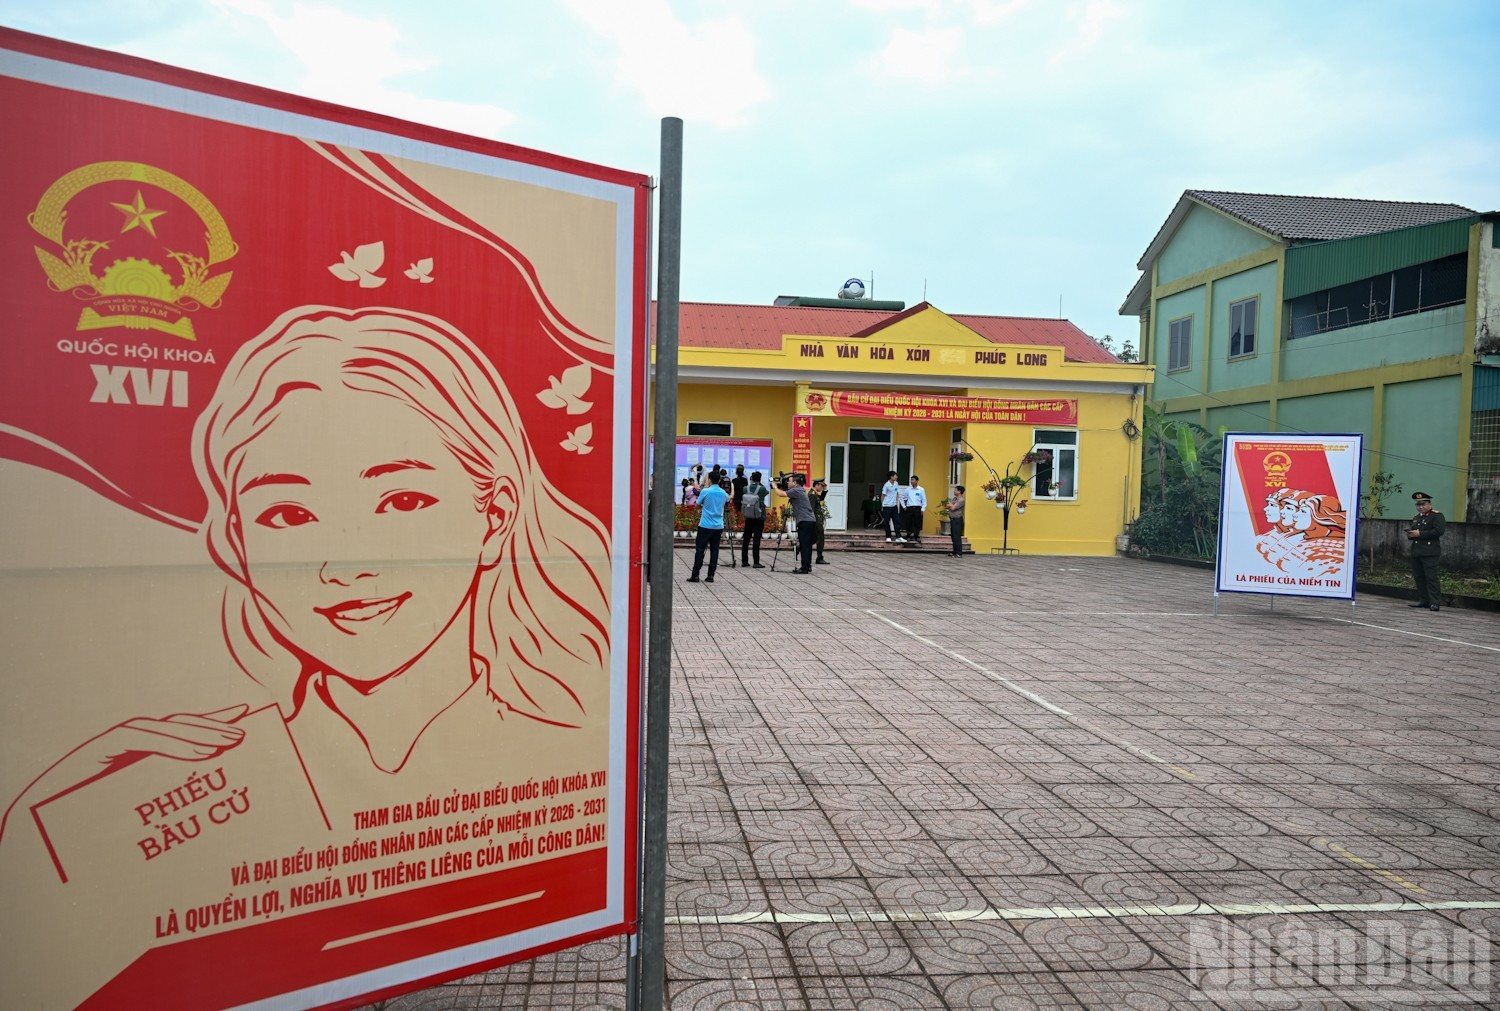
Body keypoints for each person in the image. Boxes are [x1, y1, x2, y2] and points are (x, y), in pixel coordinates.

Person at [2, 305, 613, 844]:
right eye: (289, 515)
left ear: (496, 516)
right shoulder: (186, 788)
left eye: (401, 501)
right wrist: (42, 835)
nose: (346, 564)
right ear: (237, 542)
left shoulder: (569, 763)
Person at [1406, 491, 1445, 612]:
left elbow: (1439, 531)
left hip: (1430, 552)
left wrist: (1420, 533)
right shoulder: (1416, 518)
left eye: (1423, 504)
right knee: (1419, 577)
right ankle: (1424, 601)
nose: (1420, 507)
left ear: (1429, 504)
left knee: (1431, 577)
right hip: (1417, 551)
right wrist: (1411, 535)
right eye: (1418, 505)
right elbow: (1414, 532)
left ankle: (1435, 602)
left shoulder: (1436, 516)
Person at [687, 476, 730, 583]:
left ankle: (695, 575)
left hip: (705, 525)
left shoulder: (706, 491)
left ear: (710, 480)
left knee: (700, 550)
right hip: (718, 526)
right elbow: (727, 502)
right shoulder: (723, 493)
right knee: (714, 551)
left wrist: (704, 506)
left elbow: (697, 505)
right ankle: (711, 576)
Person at [774, 473, 816, 574]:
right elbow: (785, 491)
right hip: (809, 520)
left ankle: (804, 568)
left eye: (790, 481)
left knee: (804, 544)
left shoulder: (796, 490)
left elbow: (781, 494)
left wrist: (774, 486)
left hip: (805, 521)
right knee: (807, 545)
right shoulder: (800, 490)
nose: (788, 482)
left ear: (795, 483)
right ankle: (807, 565)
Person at [740, 470, 769, 568]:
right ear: (760, 479)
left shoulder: (745, 488)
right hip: (759, 517)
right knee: (756, 539)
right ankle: (756, 562)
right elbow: (766, 492)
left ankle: (744, 561)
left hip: (748, 516)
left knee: (746, 539)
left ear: (751, 478)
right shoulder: (762, 489)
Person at [880, 471, 903, 543]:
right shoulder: (886, 485)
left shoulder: (896, 484)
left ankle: (898, 536)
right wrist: (882, 505)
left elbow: (897, 494)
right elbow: (883, 495)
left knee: (897, 521)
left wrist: (896, 502)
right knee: (887, 522)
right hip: (887, 506)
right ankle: (888, 536)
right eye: (895, 476)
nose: (896, 477)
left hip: (894, 506)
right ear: (891, 477)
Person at [811, 478, 830, 565]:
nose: (822, 488)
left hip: (817, 520)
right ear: (817, 485)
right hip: (816, 521)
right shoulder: (812, 495)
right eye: (821, 486)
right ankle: (819, 557)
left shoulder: (815, 494)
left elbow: (821, 499)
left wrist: (825, 490)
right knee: (820, 539)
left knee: (814, 539)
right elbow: (811, 509)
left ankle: (800, 548)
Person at [904, 475, 927, 544]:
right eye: (911, 480)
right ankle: (908, 535)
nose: (912, 481)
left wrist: (923, 509)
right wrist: (904, 506)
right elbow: (902, 498)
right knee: (909, 521)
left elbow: (924, 500)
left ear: (917, 481)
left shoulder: (921, 489)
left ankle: (916, 536)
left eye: (913, 480)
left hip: (918, 508)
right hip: (910, 508)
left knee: (917, 522)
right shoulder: (908, 489)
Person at [948, 485, 966, 557]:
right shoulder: (955, 499)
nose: (954, 491)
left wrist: (951, 505)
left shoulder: (961, 500)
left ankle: (959, 552)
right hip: (953, 519)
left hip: (957, 520)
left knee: (957, 536)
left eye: (955, 490)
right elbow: (948, 505)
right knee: (953, 536)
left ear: (959, 491)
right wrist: (950, 505)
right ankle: (954, 551)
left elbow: (952, 508)